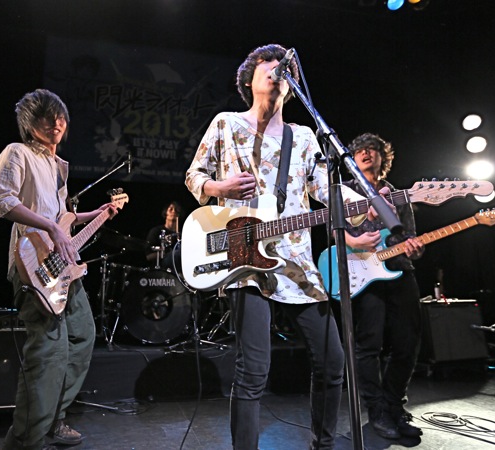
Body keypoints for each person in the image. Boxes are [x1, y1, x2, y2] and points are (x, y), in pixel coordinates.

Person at [185, 44, 345, 450]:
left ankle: (324, 444)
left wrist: (370, 203)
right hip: (245, 259)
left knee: (333, 361)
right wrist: (219, 187)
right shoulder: (226, 124)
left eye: (283, 69)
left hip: (297, 262)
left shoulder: (303, 136)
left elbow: (326, 191)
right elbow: (194, 176)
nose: (277, 72)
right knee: (254, 369)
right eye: (269, 67)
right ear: (248, 79)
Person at [0, 89, 118, 450]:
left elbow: (63, 221)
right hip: (32, 267)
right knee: (47, 352)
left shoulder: (58, 167)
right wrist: (51, 228)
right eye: (46, 117)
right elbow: (0, 200)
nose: (56, 123)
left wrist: (98, 214)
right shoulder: (18, 153)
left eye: (59, 116)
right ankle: (26, 439)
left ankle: (53, 418)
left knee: (82, 337)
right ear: (30, 124)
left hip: (61, 270)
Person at [342, 133, 424, 440]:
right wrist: (354, 241)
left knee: (408, 343)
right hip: (364, 274)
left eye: (372, 149)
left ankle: (393, 405)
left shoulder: (399, 195)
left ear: (382, 157)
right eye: (359, 150)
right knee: (369, 345)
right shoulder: (343, 192)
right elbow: (333, 233)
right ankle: (376, 410)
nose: (366, 154)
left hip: (400, 270)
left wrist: (415, 248)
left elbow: (410, 237)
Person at [145, 201, 182, 269]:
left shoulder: (182, 234)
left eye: (176, 210)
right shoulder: (156, 231)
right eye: (171, 209)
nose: (174, 211)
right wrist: (163, 253)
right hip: (160, 266)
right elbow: (148, 256)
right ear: (165, 212)